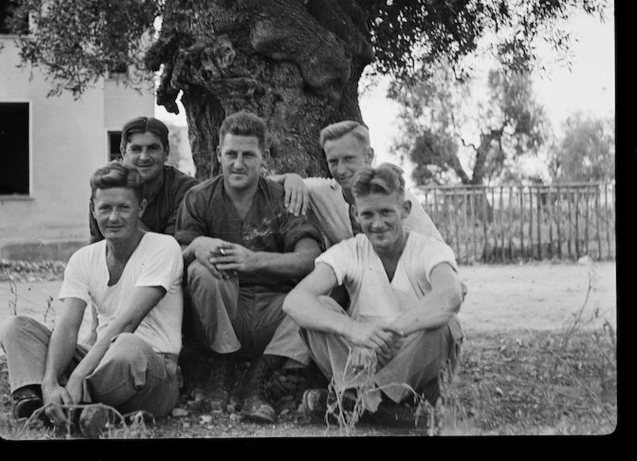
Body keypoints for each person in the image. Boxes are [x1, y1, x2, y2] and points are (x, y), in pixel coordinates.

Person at [0, 163, 184, 438]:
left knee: (127, 346)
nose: (113, 217)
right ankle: (54, 402)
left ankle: (61, 404)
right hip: (99, 363)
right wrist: (50, 380)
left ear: (141, 208)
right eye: (105, 208)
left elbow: (127, 323)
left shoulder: (163, 247)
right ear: (93, 209)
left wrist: (76, 377)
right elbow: (68, 325)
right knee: (17, 327)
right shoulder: (84, 258)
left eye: (124, 207)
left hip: (152, 370)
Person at [175, 111, 325, 424]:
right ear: (218, 155)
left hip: (275, 312)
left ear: (264, 156)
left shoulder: (283, 197)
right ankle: (222, 363)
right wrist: (194, 248)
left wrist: (253, 260)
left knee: (326, 296)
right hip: (223, 312)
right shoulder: (199, 198)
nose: (238, 164)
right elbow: (173, 259)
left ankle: (259, 378)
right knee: (201, 271)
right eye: (231, 154)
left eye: (248, 155)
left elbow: (311, 258)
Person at [283, 162, 464, 421]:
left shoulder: (428, 249)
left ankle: (363, 407)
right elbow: (295, 301)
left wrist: (387, 336)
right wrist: (354, 330)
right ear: (356, 215)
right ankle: (386, 411)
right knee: (317, 308)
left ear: (405, 210)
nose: (377, 224)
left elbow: (450, 296)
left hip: (411, 360)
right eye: (368, 215)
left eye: (386, 213)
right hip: (361, 363)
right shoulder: (350, 250)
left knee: (445, 326)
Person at [277, 120, 443, 248]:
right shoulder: (323, 192)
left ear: (368, 156)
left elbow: (436, 249)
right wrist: (290, 178)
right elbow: (263, 183)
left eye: (349, 159)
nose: (341, 170)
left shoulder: (395, 197)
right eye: (333, 161)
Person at [88, 116, 199, 244]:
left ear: (166, 152)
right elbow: (96, 244)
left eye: (152, 148)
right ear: (123, 152)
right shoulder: (106, 186)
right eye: (136, 149)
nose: (144, 157)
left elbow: (172, 248)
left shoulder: (185, 190)